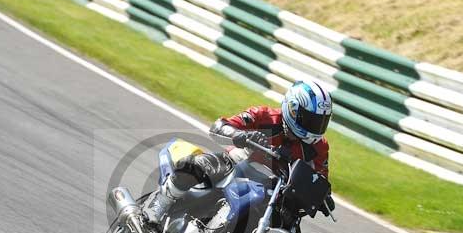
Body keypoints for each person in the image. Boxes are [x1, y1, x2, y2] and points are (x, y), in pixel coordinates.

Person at [144, 79, 335, 224]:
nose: (315, 127)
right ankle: (161, 203)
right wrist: (242, 136)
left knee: (289, 220)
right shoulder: (265, 116)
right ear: (293, 109)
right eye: (311, 120)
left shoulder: (319, 147)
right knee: (199, 165)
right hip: (238, 165)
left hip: (275, 189)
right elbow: (220, 126)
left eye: (320, 122)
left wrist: (324, 196)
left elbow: (319, 177)